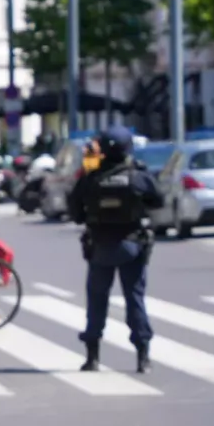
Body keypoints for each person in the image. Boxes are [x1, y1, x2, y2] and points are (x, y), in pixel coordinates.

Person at [68, 125, 163, 373]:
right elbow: (158, 200)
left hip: (100, 248)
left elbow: (76, 214)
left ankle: (92, 358)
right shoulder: (138, 177)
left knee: (97, 302)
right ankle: (143, 358)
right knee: (135, 300)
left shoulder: (91, 179)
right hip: (132, 245)